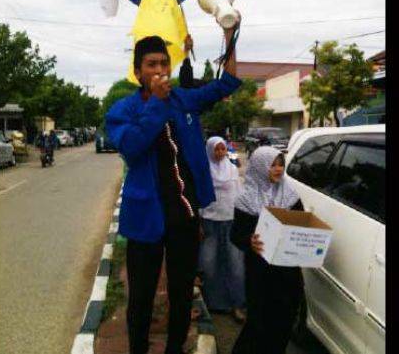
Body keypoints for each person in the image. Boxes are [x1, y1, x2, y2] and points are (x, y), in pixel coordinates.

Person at [105, 20, 241, 354]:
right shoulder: (123, 110)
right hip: (145, 219)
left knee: (182, 292)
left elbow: (228, 83)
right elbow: (133, 147)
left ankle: (175, 348)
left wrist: (229, 38)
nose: (161, 70)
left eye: (165, 63)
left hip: (184, 215)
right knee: (141, 297)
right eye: (152, 65)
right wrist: (156, 104)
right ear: (138, 72)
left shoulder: (184, 99)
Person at [230, 146, 304, 354]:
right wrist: (248, 241)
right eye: (273, 165)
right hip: (260, 273)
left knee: (284, 321)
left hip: (288, 272)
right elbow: (235, 235)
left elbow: (302, 226)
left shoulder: (291, 196)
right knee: (259, 325)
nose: (278, 169)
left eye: (281, 164)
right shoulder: (246, 200)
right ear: (260, 167)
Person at [198, 137, 245, 321]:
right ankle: (216, 304)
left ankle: (238, 304)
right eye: (216, 150)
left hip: (231, 221)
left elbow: (239, 194)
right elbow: (198, 197)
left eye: (222, 149)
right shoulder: (203, 171)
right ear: (209, 150)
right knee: (210, 264)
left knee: (235, 265)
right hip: (209, 222)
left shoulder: (232, 169)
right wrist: (198, 223)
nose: (220, 153)